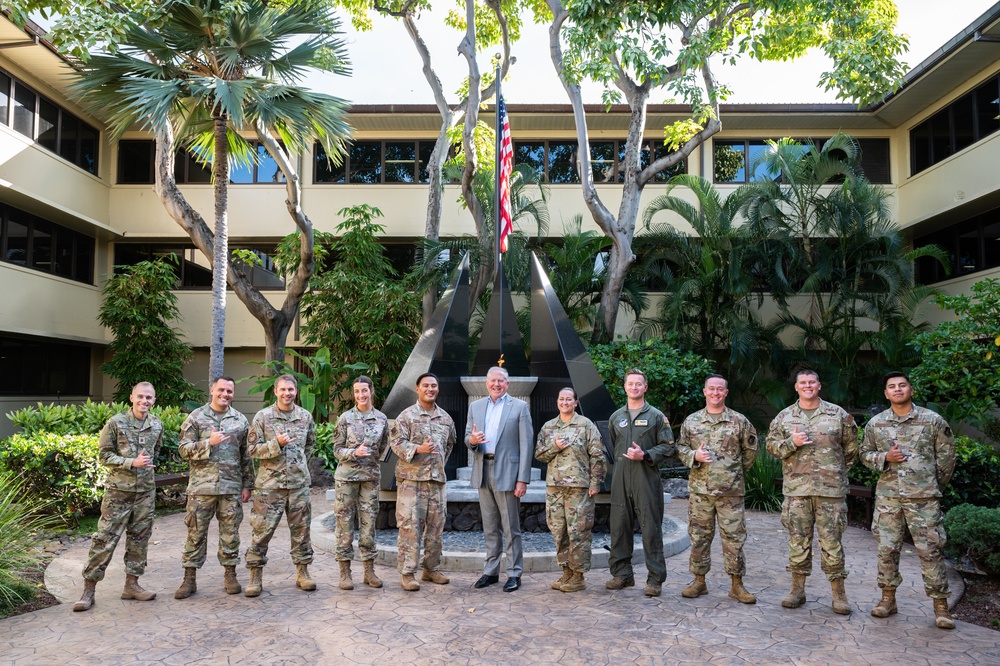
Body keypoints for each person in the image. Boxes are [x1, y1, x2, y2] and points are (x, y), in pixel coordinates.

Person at [860, 371, 957, 629]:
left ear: (911, 390)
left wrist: (930, 486)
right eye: (892, 386)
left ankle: (941, 607)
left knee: (930, 551)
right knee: (887, 550)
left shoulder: (932, 421)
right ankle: (887, 600)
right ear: (886, 393)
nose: (898, 389)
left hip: (923, 500)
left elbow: (947, 459)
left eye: (902, 385)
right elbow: (864, 454)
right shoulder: (876, 423)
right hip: (889, 499)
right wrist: (884, 458)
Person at [766, 369, 858, 615]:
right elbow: (771, 446)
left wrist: (834, 472)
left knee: (832, 543)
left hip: (830, 492)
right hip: (797, 491)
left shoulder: (838, 415)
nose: (807, 386)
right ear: (796, 387)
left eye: (812, 382)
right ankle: (797, 590)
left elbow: (851, 449)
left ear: (819, 385)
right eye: (802, 382)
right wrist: (790, 444)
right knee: (798, 541)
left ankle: (839, 594)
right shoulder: (785, 417)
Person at [74, 382, 163, 612]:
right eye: (141, 396)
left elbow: (156, 452)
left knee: (139, 539)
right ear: (132, 397)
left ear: (154, 401)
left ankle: (132, 585)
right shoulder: (116, 423)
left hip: (145, 492)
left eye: (149, 398)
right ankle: (88, 590)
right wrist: (129, 462)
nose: (145, 401)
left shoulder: (156, 424)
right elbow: (104, 455)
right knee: (104, 539)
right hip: (118, 493)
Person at [676, 374, 758, 604]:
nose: (715, 393)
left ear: (726, 393)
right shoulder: (692, 421)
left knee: (734, 538)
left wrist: (733, 472)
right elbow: (681, 448)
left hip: (730, 493)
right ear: (704, 392)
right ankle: (699, 581)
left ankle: (736, 585)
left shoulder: (739, 421)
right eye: (711, 389)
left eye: (719, 389)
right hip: (701, 492)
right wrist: (694, 456)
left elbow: (750, 451)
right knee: (699, 537)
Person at [174, 376, 253, 599]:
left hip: (230, 488)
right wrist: (209, 442)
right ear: (212, 390)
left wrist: (248, 485)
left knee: (231, 533)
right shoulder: (197, 417)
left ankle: (230, 574)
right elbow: (182, 449)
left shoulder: (239, 420)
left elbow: (246, 456)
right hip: (202, 488)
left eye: (229, 391)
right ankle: (189, 579)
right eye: (221, 390)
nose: (225, 394)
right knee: (195, 533)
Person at [244, 373, 318, 597]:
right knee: (261, 532)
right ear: (275, 391)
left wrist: (296, 466)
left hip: (298, 486)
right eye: (283, 389)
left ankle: (302, 573)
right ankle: (255, 575)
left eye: (291, 390)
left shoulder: (305, 417)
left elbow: (309, 446)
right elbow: (253, 450)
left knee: (302, 532)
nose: (287, 393)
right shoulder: (263, 417)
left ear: (296, 392)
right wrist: (277, 444)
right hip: (270, 486)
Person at [605, 369, 676, 597]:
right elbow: (614, 446)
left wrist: (645, 454)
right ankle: (622, 575)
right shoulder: (616, 417)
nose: (634, 387)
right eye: (630, 384)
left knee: (651, 529)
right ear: (624, 387)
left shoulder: (656, 416)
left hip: (646, 478)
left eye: (639, 384)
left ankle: (655, 579)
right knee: (619, 527)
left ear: (645, 387)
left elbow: (669, 447)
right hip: (621, 479)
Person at [465, 366, 534, 592]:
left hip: (508, 472)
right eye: (493, 381)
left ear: (507, 384)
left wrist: (522, 479)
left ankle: (514, 573)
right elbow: (468, 437)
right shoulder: (475, 406)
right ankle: (491, 571)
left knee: (510, 527)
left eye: (501, 381)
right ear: (487, 383)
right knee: (490, 526)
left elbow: (526, 444)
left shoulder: (520, 407)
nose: (496, 384)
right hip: (483, 470)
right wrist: (473, 440)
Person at [534, 387, 607, 593]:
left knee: (579, 532)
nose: (565, 402)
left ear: (575, 402)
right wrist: (555, 446)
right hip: (555, 488)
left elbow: (598, 455)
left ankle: (579, 576)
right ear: (557, 402)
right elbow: (539, 454)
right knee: (559, 531)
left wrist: (595, 483)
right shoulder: (549, 427)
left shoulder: (585, 425)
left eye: (569, 399)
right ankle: (566, 571)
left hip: (579, 488)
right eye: (561, 399)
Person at [390, 372, 456, 591]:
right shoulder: (406, 416)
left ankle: (431, 568)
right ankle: (408, 573)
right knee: (410, 527)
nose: (430, 389)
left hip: (436, 481)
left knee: (436, 528)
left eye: (434, 386)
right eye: (426, 385)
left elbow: (450, 445)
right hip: (411, 482)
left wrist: (437, 465)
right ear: (417, 389)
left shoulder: (445, 418)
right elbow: (396, 444)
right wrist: (418, 449)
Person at [331, 375, 390, 590]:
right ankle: (345, 572)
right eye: (357, 392)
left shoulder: (382, 419)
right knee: (344, 525)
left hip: (370, 480)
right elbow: (336, 449)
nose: (361, 395)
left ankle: (369, 571)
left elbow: (383, 447)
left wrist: (369, 460)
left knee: (368, 525)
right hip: (346, 479)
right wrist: (354, 453)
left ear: (371, 391)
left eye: (364, 391)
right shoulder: (345, 418)